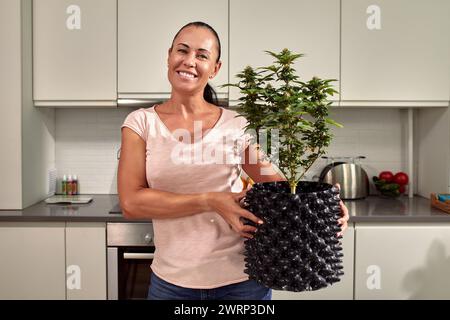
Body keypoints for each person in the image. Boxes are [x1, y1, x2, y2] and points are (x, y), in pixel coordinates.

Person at [118, 21, 349, 300]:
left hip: (242, 283)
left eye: (202, 55)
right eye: (182, 50)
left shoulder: (237, 124)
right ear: (169, 56)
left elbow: (277, 186)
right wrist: (210, 200)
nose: (189, 61)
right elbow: (131, 202)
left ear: (215, 68)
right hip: (171, 285)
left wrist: (322, 208)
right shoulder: (141, 123)